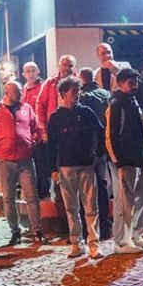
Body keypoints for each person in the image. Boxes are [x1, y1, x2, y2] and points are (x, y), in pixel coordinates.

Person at [49, 76, 106, 258]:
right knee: (71, 207)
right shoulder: (56, 118)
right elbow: (51, 145)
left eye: (78, 91)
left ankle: (94, 243)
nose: (77, 95)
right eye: (73, 92)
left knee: (91, 206)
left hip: (86, 165)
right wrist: (52, 168)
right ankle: (76, 243)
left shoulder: (87, 112)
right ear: (64, 94)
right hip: (66, 167)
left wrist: (97, 153)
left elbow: (100, 131)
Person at [0, 80, 44, 245]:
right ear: (7, 93)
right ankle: (15, 231)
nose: (20, 94)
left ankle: (37, 230)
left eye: (20, 91)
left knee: (32, 195)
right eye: (17, 91)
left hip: (25, 159)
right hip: (5, 160)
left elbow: (37, 128)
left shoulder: (27, 109)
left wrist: (32, 140)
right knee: (8, 198)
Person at [107, 68, 143, 255]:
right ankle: (121, 240)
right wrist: (118, 163)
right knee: (124, 201)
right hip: (125, 161)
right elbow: (111, 136)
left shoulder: (132, 101)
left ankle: (135, 234)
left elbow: (139, 134)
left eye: (136, 82)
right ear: (120, 83)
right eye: (131, 83)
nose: (135, 86)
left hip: (136, 160)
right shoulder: (117, 104)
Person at [78, 67, 114, 240]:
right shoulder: (105, 94)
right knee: (102, 186)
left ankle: (88, 230)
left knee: (85, 190)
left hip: (86, 148)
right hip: (103, 146)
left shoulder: (82, 97)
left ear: (81, 78)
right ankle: (105, 228)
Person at [35, 54, 77, 199]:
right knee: (56, 168)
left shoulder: (77, 82)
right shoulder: (50, 83)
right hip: (55, 128)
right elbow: (40, 105)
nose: (67, 68)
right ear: (59, 65)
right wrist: (43, 128)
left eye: (70, 65)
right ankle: (60, 201)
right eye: (64, 64)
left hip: (73, 131)